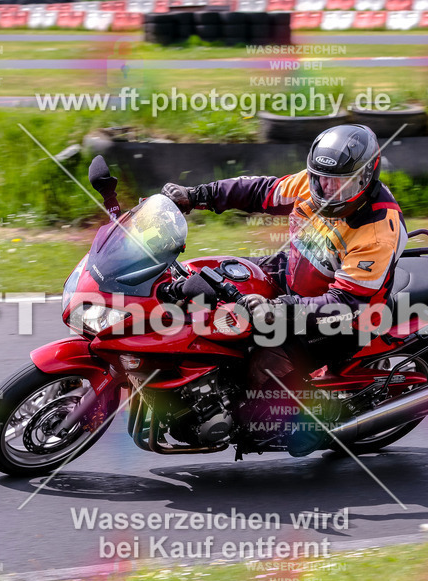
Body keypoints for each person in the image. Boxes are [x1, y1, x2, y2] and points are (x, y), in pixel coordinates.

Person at [161, 124, 408, 455]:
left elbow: (346, 301)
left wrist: (280, 310)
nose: (329, 189)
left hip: (344, 319)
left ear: (367, 177)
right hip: (291, 275)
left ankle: (310, 423)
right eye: (322, 179)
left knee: (262, 367)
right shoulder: (313, 184)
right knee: (208, 281)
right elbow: (259, 191)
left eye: (342, 183)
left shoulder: (377, 230)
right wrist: (196, 195)